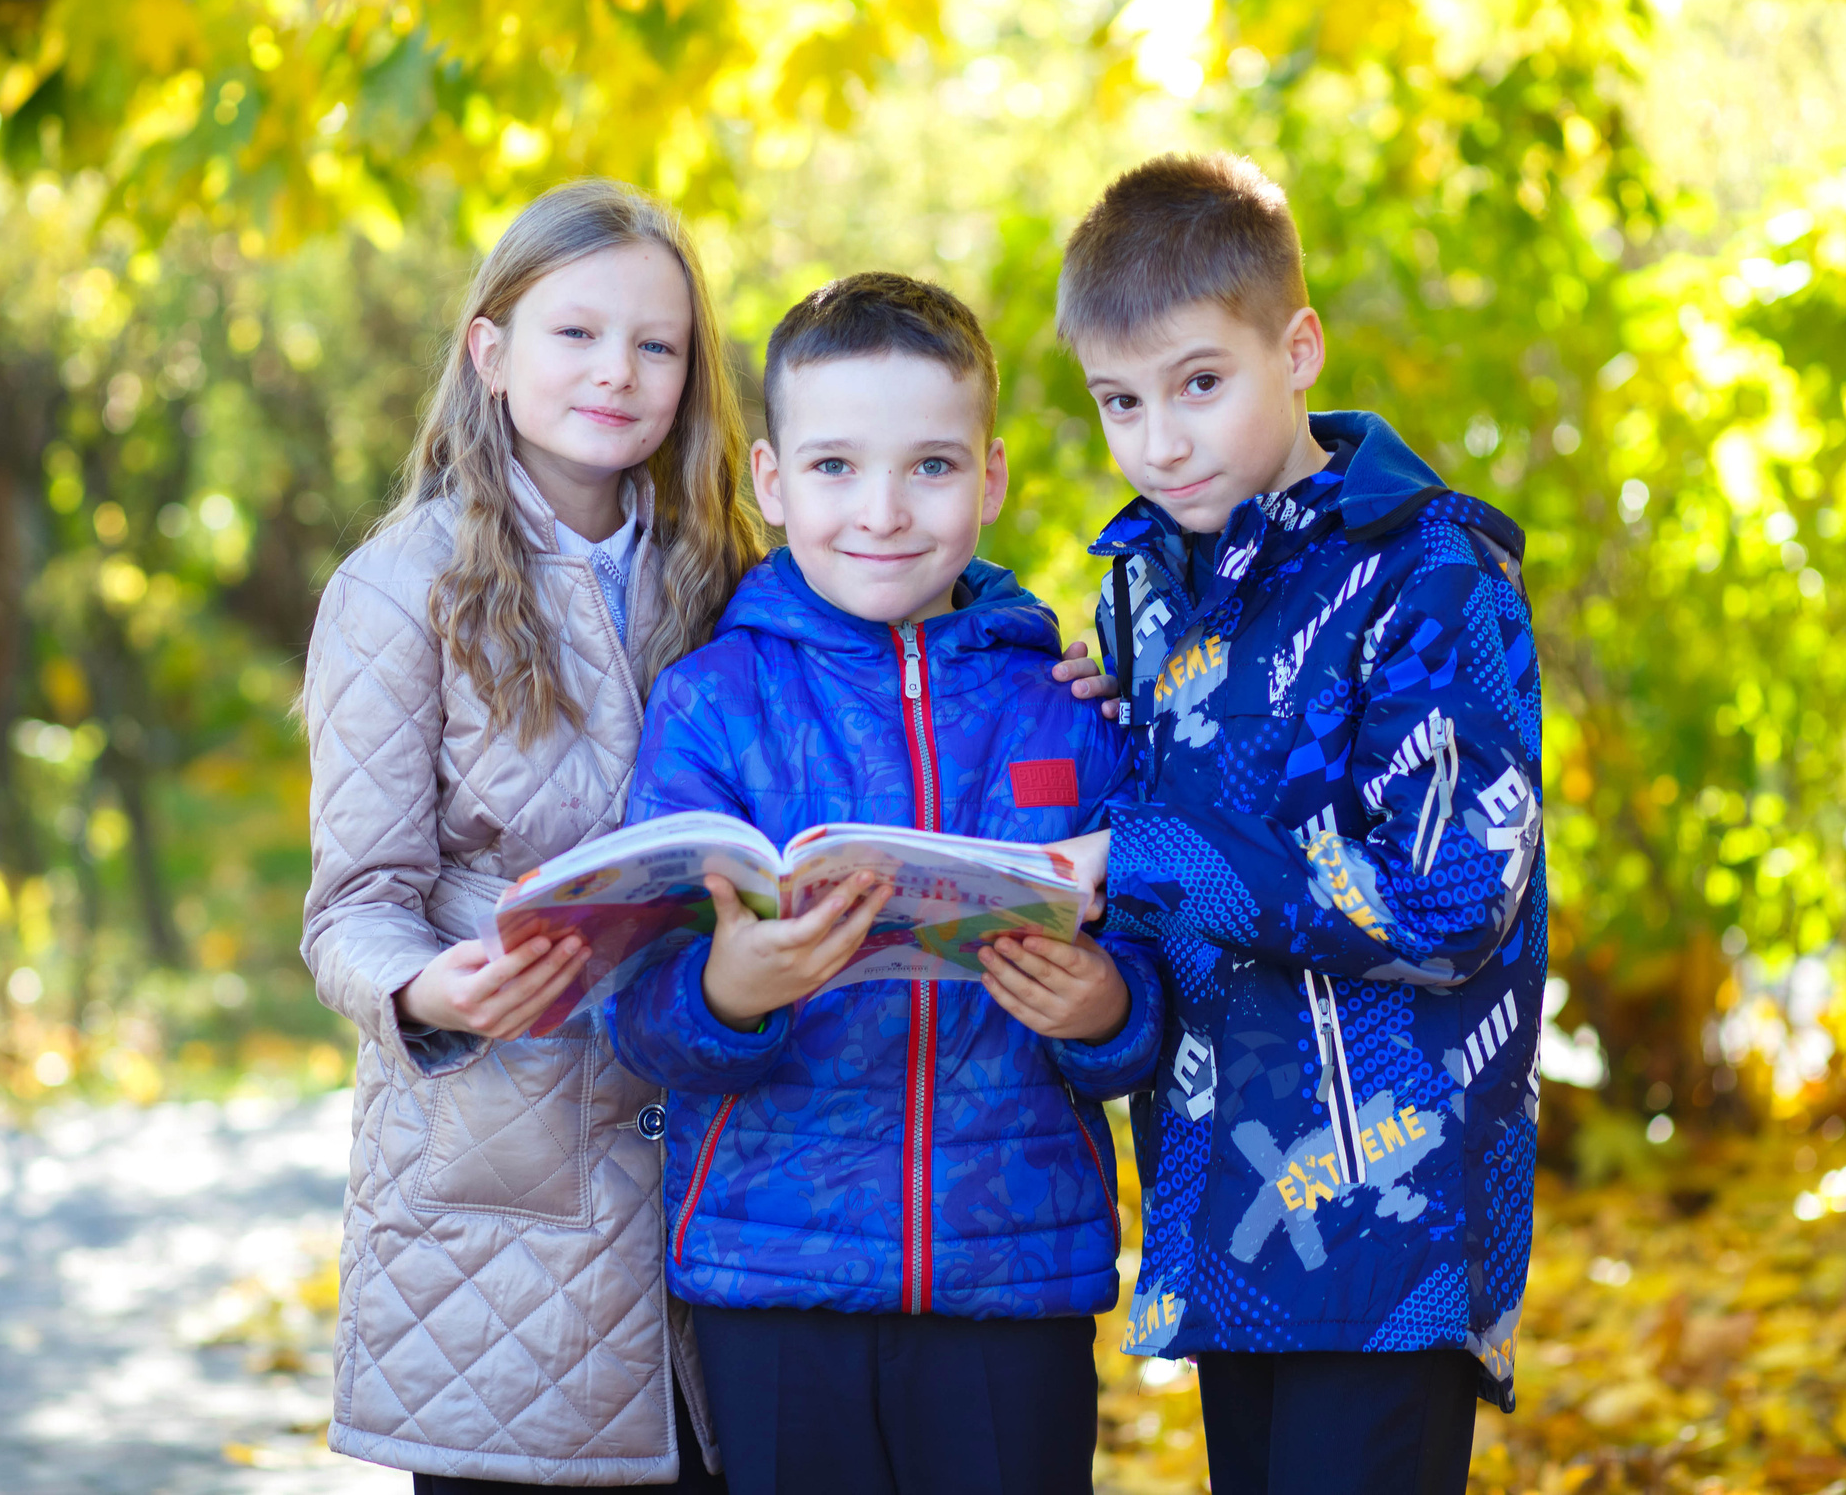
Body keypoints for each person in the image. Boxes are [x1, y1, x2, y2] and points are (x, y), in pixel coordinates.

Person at [605, 273, 1164, 1495]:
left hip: (1013, 1278)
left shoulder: (1065, 710)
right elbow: (640, 1010)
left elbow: (1151, 983)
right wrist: (729, 990)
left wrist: (1106, 1014)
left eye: (929, 468)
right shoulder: (715, 703)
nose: (883, 512)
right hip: (771, 1275)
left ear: (993, 477)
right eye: (836, 468)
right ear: (770, 480)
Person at [1045, 153, 1548, 1495]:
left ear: (1299, 347)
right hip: (1224, 1217)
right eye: (1121, 401)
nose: (1162, 438)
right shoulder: (1151, 590)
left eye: (1200, 382)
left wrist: (1145, 849)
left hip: (1390, 1227)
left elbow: (1447, 902)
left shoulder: (1429, 570)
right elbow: (1182, 850)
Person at [298, 179, 761, 1490]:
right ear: (489, 351)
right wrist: (425, 985)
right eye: (576, 332)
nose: (618, 369)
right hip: (501, 1180)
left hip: (717, 1152)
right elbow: (354, 907)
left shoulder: (731, 574)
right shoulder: (402, 586)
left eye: (657, 343)